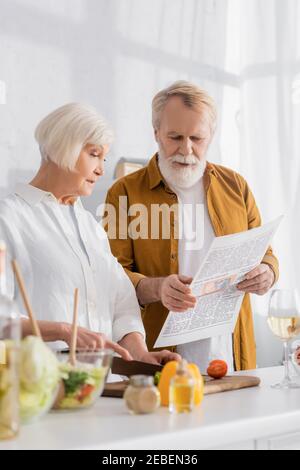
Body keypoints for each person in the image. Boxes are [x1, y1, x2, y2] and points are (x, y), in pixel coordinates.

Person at [104, 81, 279, 372]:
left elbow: (266, 253)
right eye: (175, 136)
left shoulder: (236, 186)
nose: (186, 149)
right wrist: (157, 288)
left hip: (232, 354)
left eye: (197, 138)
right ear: (156, 133)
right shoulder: (123, 193)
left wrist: (268, 272)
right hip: (160, 357)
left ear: (211, 135)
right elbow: (111, 278)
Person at [0, 103, 180, 365]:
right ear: (63, 146)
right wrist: (62, 331)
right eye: (94, 154)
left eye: (103, 158)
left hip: (99, 387)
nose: (101, 169)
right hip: (39, 390)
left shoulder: (91, 227)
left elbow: (121, 302)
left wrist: (140, 355)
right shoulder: (9, 219)